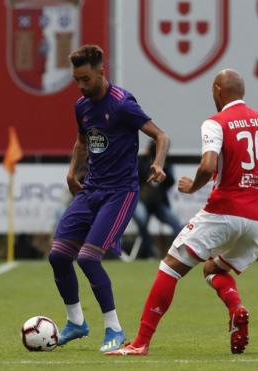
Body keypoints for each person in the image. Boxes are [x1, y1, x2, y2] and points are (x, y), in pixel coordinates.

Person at [106, 69, 258, 356]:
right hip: (257, 223)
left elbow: (209, 165)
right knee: (213, 269)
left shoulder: (215, 122)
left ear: (217, 90)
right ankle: (236, 308)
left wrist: (193, 186)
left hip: (224, 212)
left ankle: (140, 342)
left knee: (170, 267)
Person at [48, 44, 170, 353]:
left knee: (88, 258)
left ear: (102, 72)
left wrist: (158, 163)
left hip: (120, 193)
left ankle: (114, 328)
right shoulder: (82, 106)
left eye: (86, 78)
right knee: (59, 256)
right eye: (77, 79)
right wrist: (71, 171)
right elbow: (81, 141)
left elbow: (161, 136)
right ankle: (76, 322)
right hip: (91, 190)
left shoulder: (122, 104)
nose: (81, 86)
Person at [133, 141, 182, 258]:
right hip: (142, 200)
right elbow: (135, 178)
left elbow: (171, 181)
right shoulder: (142, 160)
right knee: (141, 220)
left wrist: (162, 168)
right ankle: (148, 251)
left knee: (176, 223)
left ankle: (177, 254)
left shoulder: (166, 162)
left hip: (158, 202)